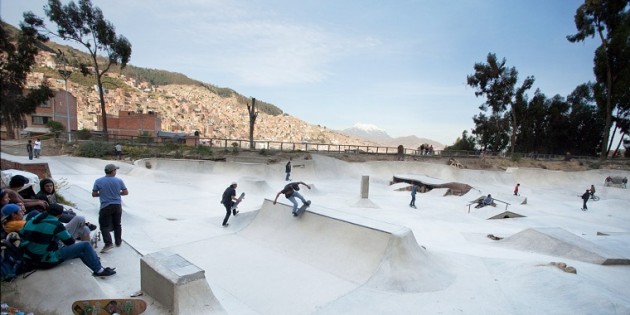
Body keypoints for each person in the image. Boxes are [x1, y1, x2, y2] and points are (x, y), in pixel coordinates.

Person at [19, 203, 116, 277]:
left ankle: (97, 266)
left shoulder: (32, 221)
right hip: (44, 260)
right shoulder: (56, 224)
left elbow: (22, 234)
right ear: (60, 215)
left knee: (82, 253)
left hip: (28, 257)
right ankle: (100, 270)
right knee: (85, 245)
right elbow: (70, 242)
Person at [92, 164, 128, 253]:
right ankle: (118, 242)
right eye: (115, 170)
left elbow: (94, 194)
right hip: (117, 206)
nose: (116, 172)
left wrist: (103, 193)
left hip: (106, 206)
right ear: (112, 171)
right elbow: (125, 192)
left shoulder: (98, 181)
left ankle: (108, 243)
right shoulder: (119, 181)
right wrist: (117, 193)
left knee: (104, 226)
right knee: (117, 224)